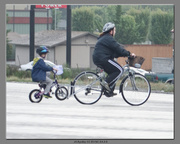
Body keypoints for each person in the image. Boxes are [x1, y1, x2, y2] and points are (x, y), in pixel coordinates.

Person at [93, 22, 135, 97]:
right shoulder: (108, 38)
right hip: (103, 58)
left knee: (113, 73)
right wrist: (129, 54)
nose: (115, 32)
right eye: (114, 30)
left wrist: (125, 54)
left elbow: (115, 53)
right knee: (120, 70)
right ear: (111, 31)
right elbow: (118, 48)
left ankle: (108, 91)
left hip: (99, 58)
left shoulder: (105, 38)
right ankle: (106, 83)